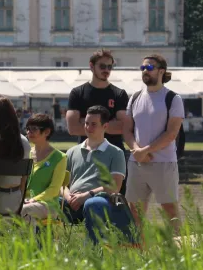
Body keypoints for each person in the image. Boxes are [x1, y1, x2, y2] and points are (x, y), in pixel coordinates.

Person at [124, 54, 185, 237]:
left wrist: (145, 151)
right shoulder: (135, 97)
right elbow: (127, 130)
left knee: (170, 212)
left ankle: (177, 249)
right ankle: (140, 249)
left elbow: (171, 133)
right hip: (137, 163)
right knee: (135, 212)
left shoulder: (173, 98)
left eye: (149, 68)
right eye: (142, 68)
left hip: (163, 163)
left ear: (161, 71)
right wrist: (137, 150)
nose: (145, 71)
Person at [61, 106, 135, 244]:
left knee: (93, 203)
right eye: (86, 123)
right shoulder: (71, 152)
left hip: (101, 200)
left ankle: (93, 251)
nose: (88, 127)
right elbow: (62, 184)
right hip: (71, 201)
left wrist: (86, 196)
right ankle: (40, 249)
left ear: (105, 126)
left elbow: (114, 187)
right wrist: (68, 197)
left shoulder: (116, 153)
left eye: (94, 124)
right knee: (44, 204)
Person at [66, 49, 129, 148]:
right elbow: (73, 128)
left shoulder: (119, 94)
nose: (106, 70)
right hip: (87, 151)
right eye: (102, 66)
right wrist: (108, 125)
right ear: (91, 66)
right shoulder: (77, 93)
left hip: (113, 151)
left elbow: (124, 127)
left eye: (109, 67)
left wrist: (88, 123)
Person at [20, 114, 67, 222]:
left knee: (23, 210)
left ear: (47, 132)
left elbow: (54, 190)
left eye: (34, 129)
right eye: (28, 128)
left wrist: (34, 199)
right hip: (24, 201)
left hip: (48, 205)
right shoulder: (26, 154)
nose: (29, 132)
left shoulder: (60, 158)